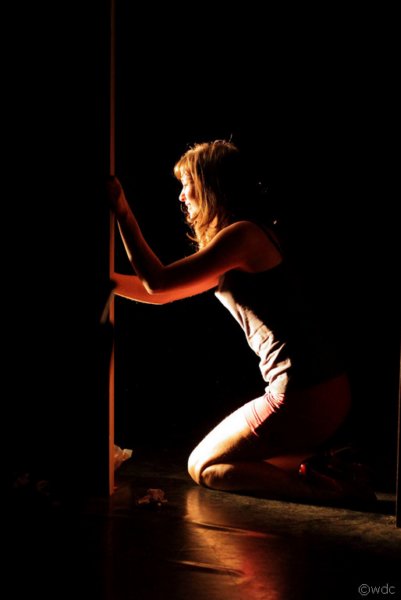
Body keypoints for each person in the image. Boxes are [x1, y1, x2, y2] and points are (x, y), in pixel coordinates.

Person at [107, 139, 375, 505]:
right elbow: (161, 293)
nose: (182, 196)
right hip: (316, 388)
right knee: (212, 464)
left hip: (305, 392)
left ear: (211, 186)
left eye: (187, 184)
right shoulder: (241, 240)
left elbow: (158, 282)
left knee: (205, 467)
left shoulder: (243, 236)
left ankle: (334, 492)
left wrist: (122, 211)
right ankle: (323, 467)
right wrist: (109, 282)